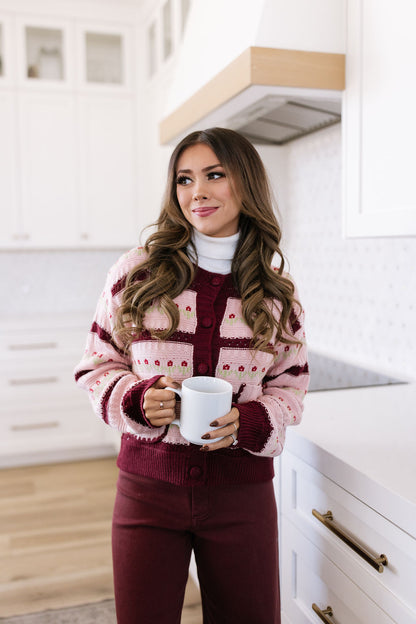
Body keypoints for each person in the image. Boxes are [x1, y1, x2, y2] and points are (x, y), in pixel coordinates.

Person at [74, 127, 309, 624]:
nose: (196, 192)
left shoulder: (277, 295)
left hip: (242, 496)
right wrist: (135, 399)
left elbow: (290, 389)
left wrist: (249, 422)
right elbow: (96, 365)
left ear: (245, 184)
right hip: (146, 490)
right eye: (184, 179)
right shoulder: (136, 272)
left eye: (214, 175)